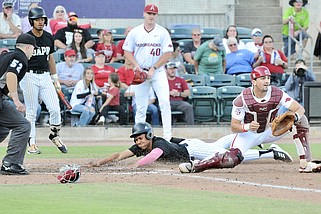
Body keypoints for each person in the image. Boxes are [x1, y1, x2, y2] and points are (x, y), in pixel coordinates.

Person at [178, 66, 321, 173]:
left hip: (271, 129)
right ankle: (197, 165)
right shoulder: (242, 99)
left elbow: (299, 109)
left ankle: (305, 163)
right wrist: (247, 127)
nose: (267, 81)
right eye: (263, 78)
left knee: (301, 120)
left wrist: (294, 116)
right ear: (253, 81)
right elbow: (234, 126)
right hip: (248, 134)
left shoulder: (277, 93)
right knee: (230, 160)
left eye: (268, 78)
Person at [88, 122, 292, 168]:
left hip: (195, 151)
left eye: (140, 138)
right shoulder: (142, 146)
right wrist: (99, 163)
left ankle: (268, 152)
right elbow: (118, 155)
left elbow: (152, 156)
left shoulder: (157, 143)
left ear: (148, 135)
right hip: (190, 145)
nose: (137, 141)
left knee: (228, 156)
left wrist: (135, 165)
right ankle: (244, 139)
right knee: (225, 144)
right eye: (135, 139)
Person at [19, 7, 67, 154]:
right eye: (37, 19)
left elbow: (50, 58)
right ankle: (31, 143)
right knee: (32, 111)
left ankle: (54, 135)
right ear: (31, 21)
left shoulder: (48, 37)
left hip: (45, 75)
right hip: (29, 75)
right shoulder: (25, 38)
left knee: (55, 108)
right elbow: (20, 58)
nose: (40, 22)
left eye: (42, 19)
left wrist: (55, 79)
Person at [123, 4, 173, 141]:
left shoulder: (162, 32)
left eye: (153, 14)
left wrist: (154, 68)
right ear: (144, 14)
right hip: (141, 72)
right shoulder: (135, 31)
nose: (151, 16)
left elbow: (168, 53)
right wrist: (137, 66)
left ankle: (167, 136)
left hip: (157, 71)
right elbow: (126, 51)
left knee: (164, 103)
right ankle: (139, 138)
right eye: (149, 13)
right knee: (140, 106)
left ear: (156, 16)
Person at [0, 33, 36, 175]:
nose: (33, 52)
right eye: (33, 48)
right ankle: (11, 163)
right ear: (28, 47)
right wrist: (16, 100)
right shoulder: (20, 57)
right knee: (23, 125)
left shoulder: (6, 56)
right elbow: (11, 75)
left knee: (2, 129)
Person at [284, 59, 315, 162]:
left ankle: (305, 155)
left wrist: (306, 70)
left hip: (304, 103)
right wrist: (293, 74)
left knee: (303, 127)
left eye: (301, 67)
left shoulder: (307, 75)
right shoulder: (293, 76)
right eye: (298, 67)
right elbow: (287, 87)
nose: (300, 69)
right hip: (294, 104)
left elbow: (314, 79)